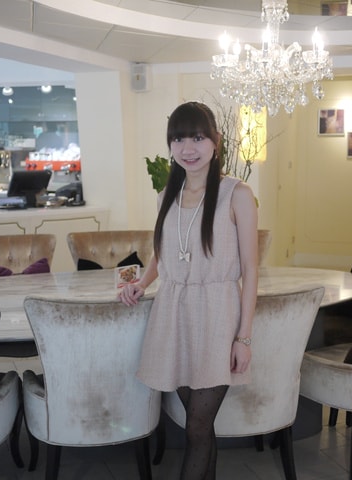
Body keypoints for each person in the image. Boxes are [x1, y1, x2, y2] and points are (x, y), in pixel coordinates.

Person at [119, 101, 258, 479]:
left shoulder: (237, 193)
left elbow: (251, 270)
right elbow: (162, 252)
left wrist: (244, 338)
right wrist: (141, 283)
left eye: (197, 138)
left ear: (216, 141)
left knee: (197, 425)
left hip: (218, 316)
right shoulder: (167, 195)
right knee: (199, 427)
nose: (188, 148)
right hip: (173, 315)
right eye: (178, 139)